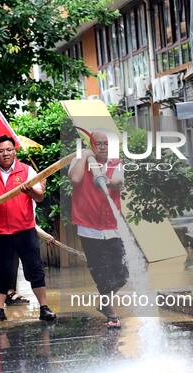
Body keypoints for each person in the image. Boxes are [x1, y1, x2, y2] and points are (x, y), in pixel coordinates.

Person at [0, 135, 57, 323]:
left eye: (9, 150)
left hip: (24, 229)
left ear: (14, 151)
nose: (5, 153)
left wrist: (30, 190)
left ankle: (44, 308)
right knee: (1, 271)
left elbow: (39, 197)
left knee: (34, 269)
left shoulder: (27, 171)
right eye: (1, 151)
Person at [68, 131, 128, 328]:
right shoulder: (81, 160)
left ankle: (104, 302)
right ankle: (111, 313)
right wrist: (85, 156)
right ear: (92, 145)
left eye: (105, 144)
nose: (102, 147)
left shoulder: (115, 163)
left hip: (112, 226)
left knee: (121, 273)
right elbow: (75, 180)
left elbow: (118, 181)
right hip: (89, 228)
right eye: (98, 144)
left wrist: (105, 179)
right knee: (101, 272)